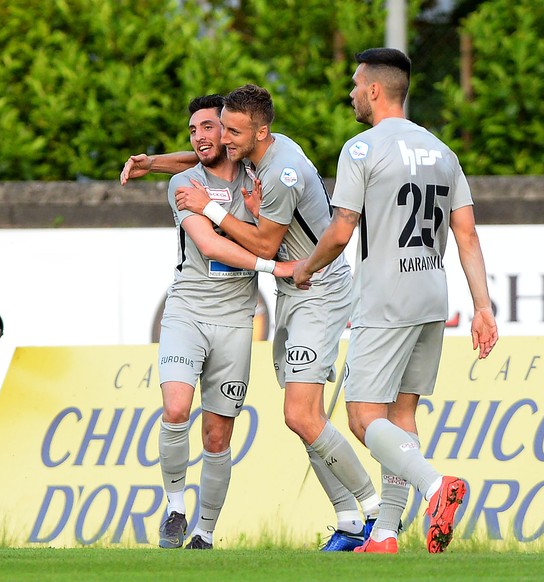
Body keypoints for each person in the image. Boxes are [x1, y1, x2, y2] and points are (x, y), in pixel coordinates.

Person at [124, 85, 382, 552]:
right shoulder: (228, 165)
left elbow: (263, 245)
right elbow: (204, 175)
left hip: (310, 290)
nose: (211, 135)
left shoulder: (270, 172)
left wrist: (212, 208)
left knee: (294, 417)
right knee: (291, 416)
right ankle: (346, 519)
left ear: (246, 133)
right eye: (201, 128)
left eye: (220, 127)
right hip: (257, 298)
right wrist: (154, 162)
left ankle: (374, 515)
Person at [293, 47, 499, 554]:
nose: (351, 93)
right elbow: (467, 234)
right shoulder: (442, 151)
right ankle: (385, 534)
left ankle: (435, 487)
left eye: (355, 84)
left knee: (364, 417)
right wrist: (484, 307)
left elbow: (342, 231)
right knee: (400, 417)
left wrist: (306, 267)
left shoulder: (361, 149)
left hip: (385, 298)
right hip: (432, 297)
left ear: (375, 91)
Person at [126, 94, 296, 550]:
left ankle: (205, 532)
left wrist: (259, 216)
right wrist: (274, 268)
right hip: (187, 311)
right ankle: (175, 507)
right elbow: (213, 246)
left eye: (209, 127)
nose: (200, 137)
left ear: (230, 130)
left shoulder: (259, 175)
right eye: (193, 131)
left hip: (238, 319)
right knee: (176, 409)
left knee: (218, 434)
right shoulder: (184, 184)